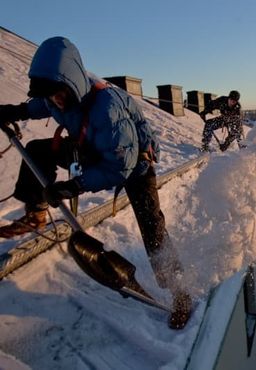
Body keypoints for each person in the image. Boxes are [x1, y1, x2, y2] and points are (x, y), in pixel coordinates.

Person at [0, 37, 190, 330]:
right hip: (91, 148)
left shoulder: (107, 110)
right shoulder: (56, 97)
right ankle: (36, 213)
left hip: (133, 165)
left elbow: (118, 169)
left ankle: (180, 293)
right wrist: (12, 111)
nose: (56, 101)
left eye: (59, 94)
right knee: (38, 150)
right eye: (51, 96)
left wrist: (74, 186)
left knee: (153, 227)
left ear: (72, 83)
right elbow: (38, 106)